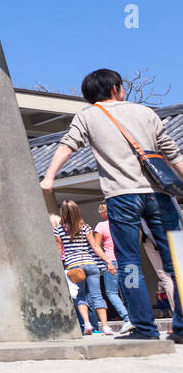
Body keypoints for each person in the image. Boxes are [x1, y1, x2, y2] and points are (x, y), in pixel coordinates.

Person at [40, 68, 183, 343]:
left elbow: (68, 144)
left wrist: (49, 177)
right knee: (177, 257)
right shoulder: (145, 113)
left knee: (129, 262)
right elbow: (172, 153)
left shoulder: (88, 116)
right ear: (116, 87)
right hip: (159, 195)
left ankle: (144, 327)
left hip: (121, 198)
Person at [52, 201, 113, 335]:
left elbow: (58, 250)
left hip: (74, 267)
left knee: (80, 296)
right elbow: (95, 247)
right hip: (90, 264)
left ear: (63, 212)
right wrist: (108, 260)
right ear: (77, 211)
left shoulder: (58, 230)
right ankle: (105, 326)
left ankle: (87, 325)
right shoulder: (85, 227)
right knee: (97, 295)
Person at [90, 202, 129, 322]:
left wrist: (105, 261)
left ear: (104, 212)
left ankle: (126, 317)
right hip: (127, 260)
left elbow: (96, 246)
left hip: (111, 261)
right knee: (129, 289)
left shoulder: (101, 226)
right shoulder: (122, 223)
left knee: (111, 292)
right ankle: (136, 315)